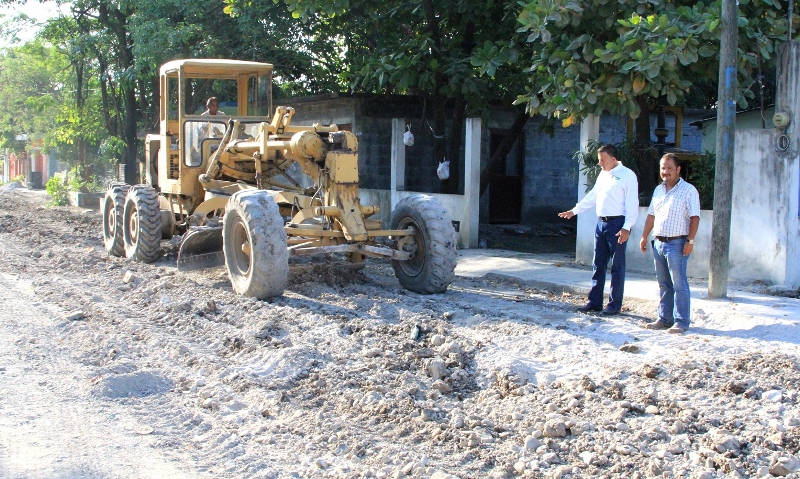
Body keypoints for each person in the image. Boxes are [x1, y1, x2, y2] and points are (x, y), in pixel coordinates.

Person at [558, 144, 639, 315]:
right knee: (598, 264)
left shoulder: (627, 175)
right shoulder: (603, 175)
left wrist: (626, 228)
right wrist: (574, 211)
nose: (599, 163)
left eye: (602, 160)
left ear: (613, 159)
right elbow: (593, 196)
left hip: (617, 225)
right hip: (601, 224)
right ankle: (594, 302)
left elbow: (633, 205)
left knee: (617, 266)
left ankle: (614, 305)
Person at [639, 153, 701, 334]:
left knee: (679, 283)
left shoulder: (689, 190)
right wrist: (644, 236)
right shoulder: (658, 190)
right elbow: (651, 214)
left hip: (677, 243)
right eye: (663, 168)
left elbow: (695, 217)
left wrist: (690, 240)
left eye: (669, 168)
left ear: (678, 170)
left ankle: (681, 321)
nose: (665, 172)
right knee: (663, 284)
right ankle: (665, 318)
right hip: (658, 242)